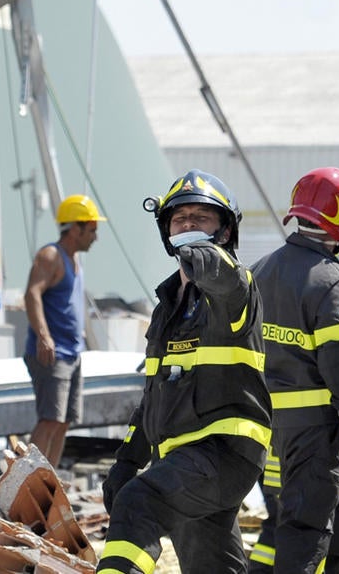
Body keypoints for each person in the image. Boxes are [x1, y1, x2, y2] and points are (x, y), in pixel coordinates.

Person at [96, 170, 272, 574]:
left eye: (201, 218)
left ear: (225, 231)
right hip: (183, 460)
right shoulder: (167, 307)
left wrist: (209, 261)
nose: (189, 225)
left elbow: (226, 279)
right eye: (180, 219)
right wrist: (127, 459)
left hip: (225, 452)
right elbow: (153, 395)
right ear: (166, 231)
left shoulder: (236, 288)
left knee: (139, 503)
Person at [251, 167, 339, 573]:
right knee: (307, 536)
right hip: (315, 435)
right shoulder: (332, 281)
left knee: (279, 531)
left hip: (267, 430)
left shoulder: (259, 271)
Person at [22, 194, 105, 468]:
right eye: (91, 230)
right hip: (53, 354)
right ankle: (24, 478)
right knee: (49, 419)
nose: (95, 237)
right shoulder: (51, 256)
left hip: (72, 354)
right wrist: (44, 336)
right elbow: (32, 293)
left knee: (63, 421)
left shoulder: (73, 260)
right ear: (75, 228)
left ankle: (49, 479)